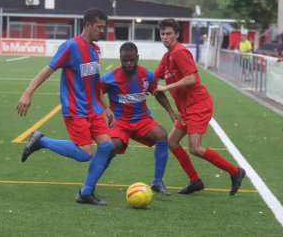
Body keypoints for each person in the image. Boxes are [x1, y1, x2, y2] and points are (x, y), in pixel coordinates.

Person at [16, 7, 115, 206]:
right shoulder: (70, 46)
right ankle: (41, 141)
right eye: (99, 27)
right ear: (87, 25)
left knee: (106, 146)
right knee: (84, 154)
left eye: (104, 27)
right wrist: (28, 93)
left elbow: (95, 81)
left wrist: (105, 107)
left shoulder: (96, 49)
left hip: (94, 109)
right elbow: (48, 69)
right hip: (75, 109)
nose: (102, 31)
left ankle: (85, 193)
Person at [153, 18, 246, 196]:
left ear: (177, 35)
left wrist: (165, 87)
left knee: (195, 148)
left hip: (198, 105)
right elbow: (152, 78)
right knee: (171, 142)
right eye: (162, 34)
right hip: (185, 109)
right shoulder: (167, 57)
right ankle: (195, 181)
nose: (165, 37)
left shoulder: (180, 52)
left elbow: (191, 79)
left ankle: (235, 171)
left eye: (169, 34)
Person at [100, 42, 178, 196]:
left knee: (162, 136)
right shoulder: (109, 77)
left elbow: (157, 92)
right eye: (124, 60)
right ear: (120, 59)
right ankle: (92, 180)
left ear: (137, 58)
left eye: (131, 60)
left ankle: (157, 182)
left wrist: (170, 111)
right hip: (120, 121)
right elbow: (96, 93)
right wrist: (106, 110)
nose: (128, 64)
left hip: (142, 119)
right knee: (113, 146)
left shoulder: (147, 75)